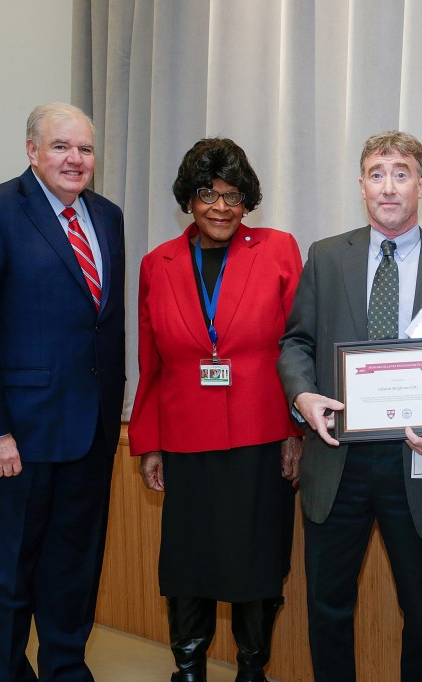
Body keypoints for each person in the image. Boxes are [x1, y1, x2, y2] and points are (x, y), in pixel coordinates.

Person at [277, 130, 422, 682]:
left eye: (401, 172)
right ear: (362, 185)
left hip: (417, 462)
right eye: (376, 173)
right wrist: (302, 395)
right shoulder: (325, 256)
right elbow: (297, 341)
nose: (388, 186)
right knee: (328, 606)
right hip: (337, 457)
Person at [0, 102, 126, 681]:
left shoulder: (108, 216)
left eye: (86, 149)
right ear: (31, 150)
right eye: (61, 147)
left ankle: (66, 670)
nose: (75, 159)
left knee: (73, 571)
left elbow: (104, 323)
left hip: (89, 433)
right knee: (6, 576)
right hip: (15, 440)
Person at [128, 138, 303, 682]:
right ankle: (189, 669)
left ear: (247, 200)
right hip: (184, 438)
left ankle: (253, 669)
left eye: (233, 195)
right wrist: (148, 441)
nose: (220, 207)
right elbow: (150, 360)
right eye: (208, 193)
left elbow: (299, 345)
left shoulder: (277, 249)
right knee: (188, 562)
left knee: (257, 560)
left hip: (261, 433)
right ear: (188, 199)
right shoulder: (158, 263)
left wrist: (295, 431)